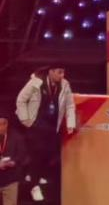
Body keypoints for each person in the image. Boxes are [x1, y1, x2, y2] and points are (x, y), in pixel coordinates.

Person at [16, 66, 75, 201]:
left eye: (63, 72)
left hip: (52, 126)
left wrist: (70, 123)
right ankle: (34, 186)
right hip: (36, 125)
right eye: (59, 72)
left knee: (48, 154)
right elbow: (21, 99)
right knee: (37, 154)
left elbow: (70, 105)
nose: (62, 75)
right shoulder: (36, 82)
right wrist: (25, 119)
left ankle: (34, 175)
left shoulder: (65, 84)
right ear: (51, 72)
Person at [0, 115, 28, 205]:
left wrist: (14, 162)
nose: (0, 127)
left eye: (2, 124)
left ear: (7, 124)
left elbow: (22, 155)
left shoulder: (17, 137)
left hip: (11, 180)